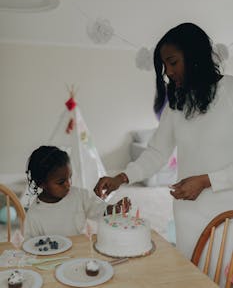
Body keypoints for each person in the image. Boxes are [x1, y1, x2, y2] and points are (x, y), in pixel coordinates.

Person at [94, 23, 233, 267]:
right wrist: (121, 177)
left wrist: (205, 181)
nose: (167, 72)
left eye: (173, 62)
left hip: (227, 214)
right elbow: (156, 152)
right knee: (192, 278)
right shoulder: (177, 104)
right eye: (164, 66)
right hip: (188, 213)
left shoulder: (230, 91)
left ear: (194, 56)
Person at [24, 145, 130, 240]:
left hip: (79, 250)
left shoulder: (80, 195)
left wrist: (115, 208)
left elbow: (99, 209)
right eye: (61, 182)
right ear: (41, 184)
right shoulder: (34, 215)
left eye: (69, 178)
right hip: (52, 259)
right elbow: (30, 245)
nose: (68, 184)